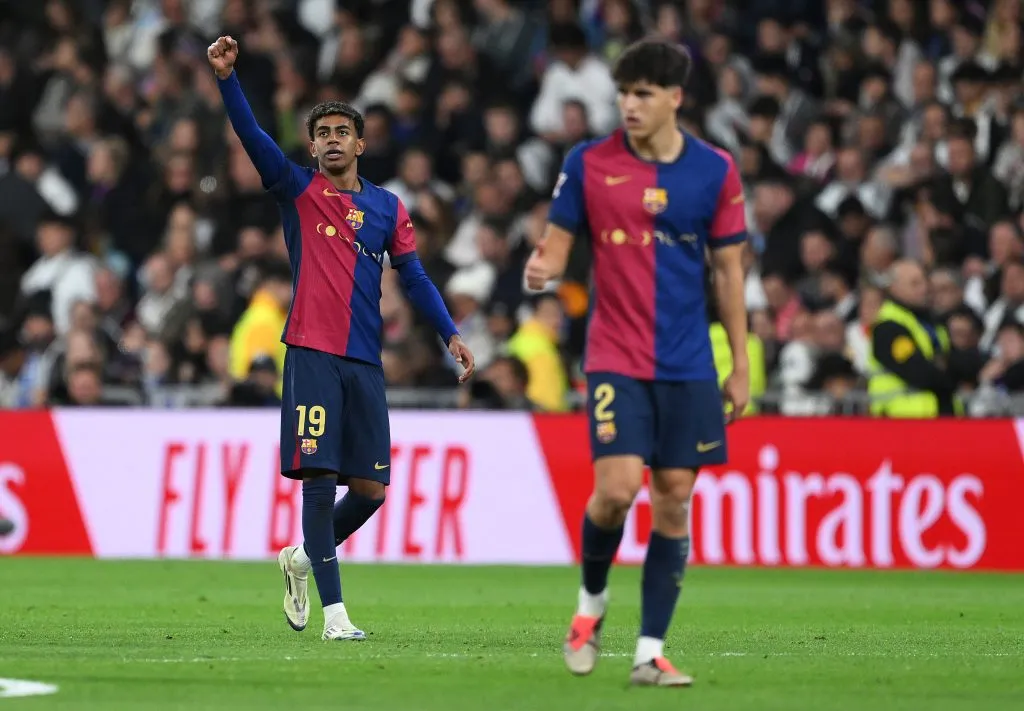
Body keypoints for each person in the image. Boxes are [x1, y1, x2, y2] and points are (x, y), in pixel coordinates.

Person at [207, 36, 475, 642]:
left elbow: (414, 276)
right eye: (321, 131)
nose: (330, 138)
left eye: (340, 131)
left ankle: (302, 558)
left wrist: (449, 333)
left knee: (373, 490)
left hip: (364, 360)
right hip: (310, 352)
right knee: (321, 481)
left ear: (360, 143)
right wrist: (228, 80)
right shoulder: (297, 190)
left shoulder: (387, 208)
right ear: (312, 144)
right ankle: (336, 617)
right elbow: (253, 138)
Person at [525, 39, 750, 687]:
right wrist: (544, 267)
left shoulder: (715, 170)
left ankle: (649, 652)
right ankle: (590, 604)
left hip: (687, 363)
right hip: (616, 356)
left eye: (644, 93)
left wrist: (739, 364)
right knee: (617, 492)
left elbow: (730, 273)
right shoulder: (588, 163)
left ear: (675, 98)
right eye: (624, 92)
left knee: (674, 499)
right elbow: (559, 247)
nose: (629, 104)